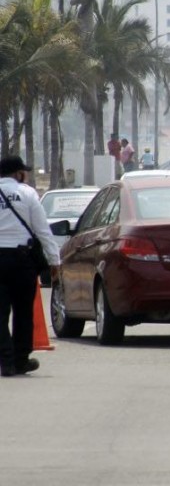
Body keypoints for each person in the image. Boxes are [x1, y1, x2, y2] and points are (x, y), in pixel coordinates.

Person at [0, 156, 61, 377]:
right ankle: (20, 360)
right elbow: (42, 230)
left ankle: (5, 362)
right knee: (23, 312)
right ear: (18, 174)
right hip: (21, 260)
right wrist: (54, 261)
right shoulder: (27, 193)